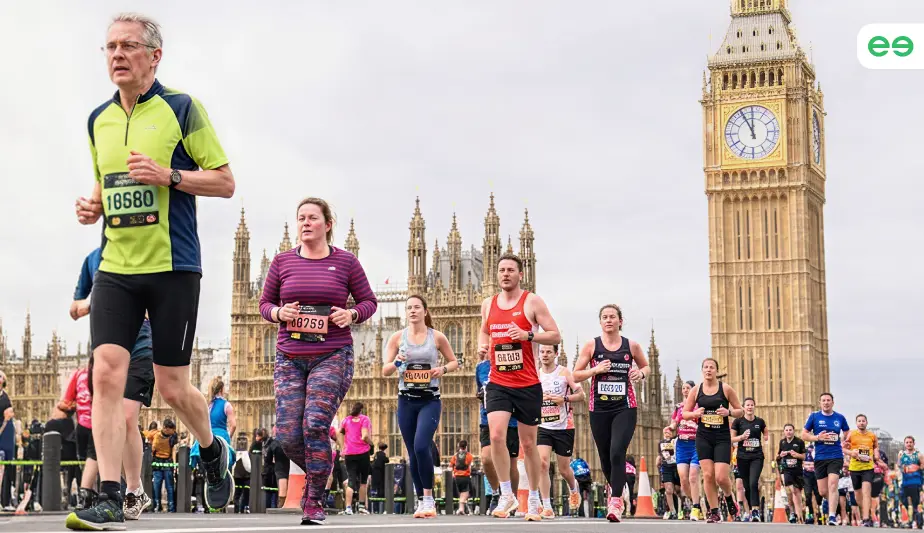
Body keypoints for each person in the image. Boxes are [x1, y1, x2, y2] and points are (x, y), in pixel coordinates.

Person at [70, 11, 236, 530]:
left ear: (154, 56)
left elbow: (225, 181)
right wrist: (93, 206)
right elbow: (105, 182)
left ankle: (212, 450)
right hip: (116, 267)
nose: (117, 55)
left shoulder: (182, 109)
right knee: (105, 374)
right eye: (110, 47)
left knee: (172, 387)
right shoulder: (97, 120)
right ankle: (111, 496)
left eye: (128, 46)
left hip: (173, 266)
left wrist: (170, 175)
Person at [260, 197, 377, 525]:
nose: (306, 223)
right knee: (287, 434)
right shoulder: (282, 261)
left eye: (312, 217)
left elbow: (368, 302)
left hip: (332, 354)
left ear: (327, 224)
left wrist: (351, 314)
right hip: (289, 357)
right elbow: (265, 304)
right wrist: (278, 312)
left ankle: (313, 499)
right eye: (301, 218)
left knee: (314, 424)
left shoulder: (346, 262)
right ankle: (321, 469)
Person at [69, 246, 156, 519]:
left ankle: (133, 489)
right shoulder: (93, 259)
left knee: (128, 416)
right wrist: (94, 303)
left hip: (140, 348)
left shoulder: (144, 251)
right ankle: (121, 490)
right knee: (112, 418)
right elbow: (74, 307)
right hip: (108, 352)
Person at [478, 253, 562, 521]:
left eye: (510, 270)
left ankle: (534, 498)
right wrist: (483, 345)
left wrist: (528, 335)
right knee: (496, 436)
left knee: (528, 444)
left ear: (520, 274)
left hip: (527, 383)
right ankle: (506, 494)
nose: (505, 274)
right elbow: (484, 330)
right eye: (501, 270)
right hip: (498, 382)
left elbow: (555, 334)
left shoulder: (532, 301)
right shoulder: (488, 304)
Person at [383, 295, 458, 518]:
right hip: (406, 400)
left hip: (429, 399)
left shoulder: (437, 337)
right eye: (409, 308)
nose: (412, 311)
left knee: (421, 446)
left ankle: (428, 498)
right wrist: (397, 362)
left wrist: (442, 370)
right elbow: (385, 370)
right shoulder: (397, 338)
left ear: (425, 311)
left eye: (417, 307)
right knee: (412, 454)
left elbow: (454, 361)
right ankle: (422, 501)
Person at [573, 304, 649, 523]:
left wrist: (640, 374)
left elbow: (646, 367)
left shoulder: (631, 346)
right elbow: (576, 375)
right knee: (605, 458)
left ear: (620, 321)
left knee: (617, 451)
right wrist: (595, 370)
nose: (608, 320)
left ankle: (615, 501)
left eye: (612, 317)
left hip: (625, 406)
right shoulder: (592, 346)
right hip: (599, 408)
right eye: (605, 317)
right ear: (600, 322)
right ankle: (618, 486)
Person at [682, 358, 743, 524]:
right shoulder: (696, 390)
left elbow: (740, 411)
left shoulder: (725, 389)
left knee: (721, 477)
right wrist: (695, 414)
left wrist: (729, 412)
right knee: (708, 475)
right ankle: (714, 512)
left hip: (722, 437)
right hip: (704, 436)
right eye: (706, 367)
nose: (708, 370)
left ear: (716, 371)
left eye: (712, 367)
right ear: (702, 370)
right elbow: (685, 413)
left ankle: (729, 497)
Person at [536, 344, 584, 518]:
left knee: (564, 470)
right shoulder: (535, 375)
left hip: (564, 427)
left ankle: (573, 488)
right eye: (542, 352)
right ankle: (547, 506)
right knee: (542, 463)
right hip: (543, 426)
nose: (545, 355)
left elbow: (581, 395)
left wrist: (563, 399)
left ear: (556, 354)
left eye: (549, 352)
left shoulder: (564, 373)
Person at [475, 347, 519, 513]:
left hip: (511, 418)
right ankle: (495, 493)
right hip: (487, 418)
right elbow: (480, 389)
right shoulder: (481, 367)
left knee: (511, 462)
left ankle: (511, 499)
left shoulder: (513, 363)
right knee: (486, 458)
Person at [801, 391, 850, 527]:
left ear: (833, 403)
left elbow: (847, 433)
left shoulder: (840, 417)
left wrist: (845, 441)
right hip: (820, 457)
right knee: (823, 491)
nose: (826, 402)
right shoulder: (814, 417)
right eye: (823, 400)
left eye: (828, 400)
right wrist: (817, 437)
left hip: (836, 456)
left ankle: (832, 516)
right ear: (820, 403)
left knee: (833, 484)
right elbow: (804, 435)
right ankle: (837, 505)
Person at [56, 362, 99, 511]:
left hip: (83, 425)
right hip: (100, 424)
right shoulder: (106, 372)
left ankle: (85, 498)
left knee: (85, 463)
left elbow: (65, 403)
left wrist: (77, 406)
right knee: (100, 461)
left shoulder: (79, 375)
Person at [667, 380, 702, 521]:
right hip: (682, 445)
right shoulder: (678, 407)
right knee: (683, 480)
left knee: (693, 476)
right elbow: (674, 423)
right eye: (683, 388)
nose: (685, 390)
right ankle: (695, 501)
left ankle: (696, 507)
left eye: (688, 388)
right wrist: (670, 428)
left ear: (693, 390)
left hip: (696, 444)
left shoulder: (699, 406)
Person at [730, 397, 767, 522]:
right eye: (747, 405)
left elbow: (765, 432)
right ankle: (751, 509)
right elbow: (731, 438)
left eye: (752, 405)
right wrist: (741, 437)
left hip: (757, 456)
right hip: (742, 457)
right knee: (746, 486)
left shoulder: (760, 421)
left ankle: (755, 511)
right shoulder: (737, 422)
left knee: (753, 483)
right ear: (743, 407)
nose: (750, 407)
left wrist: (766, 438)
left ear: (754, 406)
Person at [843, 413, 879, 527]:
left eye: (863, 421)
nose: (861, 423)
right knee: (858, 496)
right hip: (855, 468)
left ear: (866, 422)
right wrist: (851, 453)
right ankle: (866, 512)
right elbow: (843, 448)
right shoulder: (851, 434)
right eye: (859, 421)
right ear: (856, 423)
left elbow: (875, 447)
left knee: (866, 492)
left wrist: (876, 454)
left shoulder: (872, 436)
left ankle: (866, 519)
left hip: (868, 467)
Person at [340, 403, 374, 515]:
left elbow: (340, 433)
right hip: (363, 453)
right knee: (363, 481)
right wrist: (371, 444)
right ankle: (361, 507)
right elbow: (365, 436)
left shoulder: (346, 420)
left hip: (349, 454)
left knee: (351, 480)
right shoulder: (364, 419)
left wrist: (343, 448)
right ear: (361, 410)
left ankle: (348, 508)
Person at [777, 423, 806, 523]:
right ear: (784, 432)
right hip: (787, 470)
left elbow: (804, 457)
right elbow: (777, 457)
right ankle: (794, 512)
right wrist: (781, 455)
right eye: (786, 430)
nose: (788, 432)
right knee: (792, 490)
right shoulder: (782, 442)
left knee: (797, 492)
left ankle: (798, 514)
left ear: (794, 431)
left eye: (790, 430)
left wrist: (796, 455)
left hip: (797, 471)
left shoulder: (800, 442)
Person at [150, 419, 178, 512]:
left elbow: (173, 450)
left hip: (166, 462)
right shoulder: (157, 435)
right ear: (166, 428)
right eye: (171, 429)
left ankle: (170, 506)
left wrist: (174, 464)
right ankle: (158, 505)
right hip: (159, 462)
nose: (173, 431)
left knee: (168, 486)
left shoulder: (173, 436)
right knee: (157, 485)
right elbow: (153, 448)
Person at [898, 436, 923, 528]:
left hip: (916, 482)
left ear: (914, 443)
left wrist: (915, 468)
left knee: (916, 503)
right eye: (907, 442)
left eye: (910, 442)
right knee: (903, 501)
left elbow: (923, 467)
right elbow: (899, 466)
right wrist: (904, 468)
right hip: (905, 482)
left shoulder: (919, 455)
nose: (909, 444)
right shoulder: (901, 454)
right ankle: (908, 520)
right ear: (904, 444)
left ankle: (916, 522)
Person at [657, 427, 679, 519]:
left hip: (677, 466)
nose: (667, 433)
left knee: (679, 490)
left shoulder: (675, 440)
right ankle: (673, 512)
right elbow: (660, 454)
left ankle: (682, 508)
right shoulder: (660, 443)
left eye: (669, 431)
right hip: (666, 467)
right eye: (665, 431)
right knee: (669, 490)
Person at [0, 371, 13, 511]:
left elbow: (7, 418)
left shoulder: (5, 398)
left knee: (6, 468)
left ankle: (5, 500)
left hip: (4, 436)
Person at [450, 441, 474, 515]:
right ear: (466, 446)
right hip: (465, 476)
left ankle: (462, 509)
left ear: (459, 446)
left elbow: (451, 466)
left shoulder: (455, 456)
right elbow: (470, 466)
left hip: (457, 477)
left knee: (462, 492)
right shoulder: (469, 456)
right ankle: (461, 508)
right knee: (466, 492)